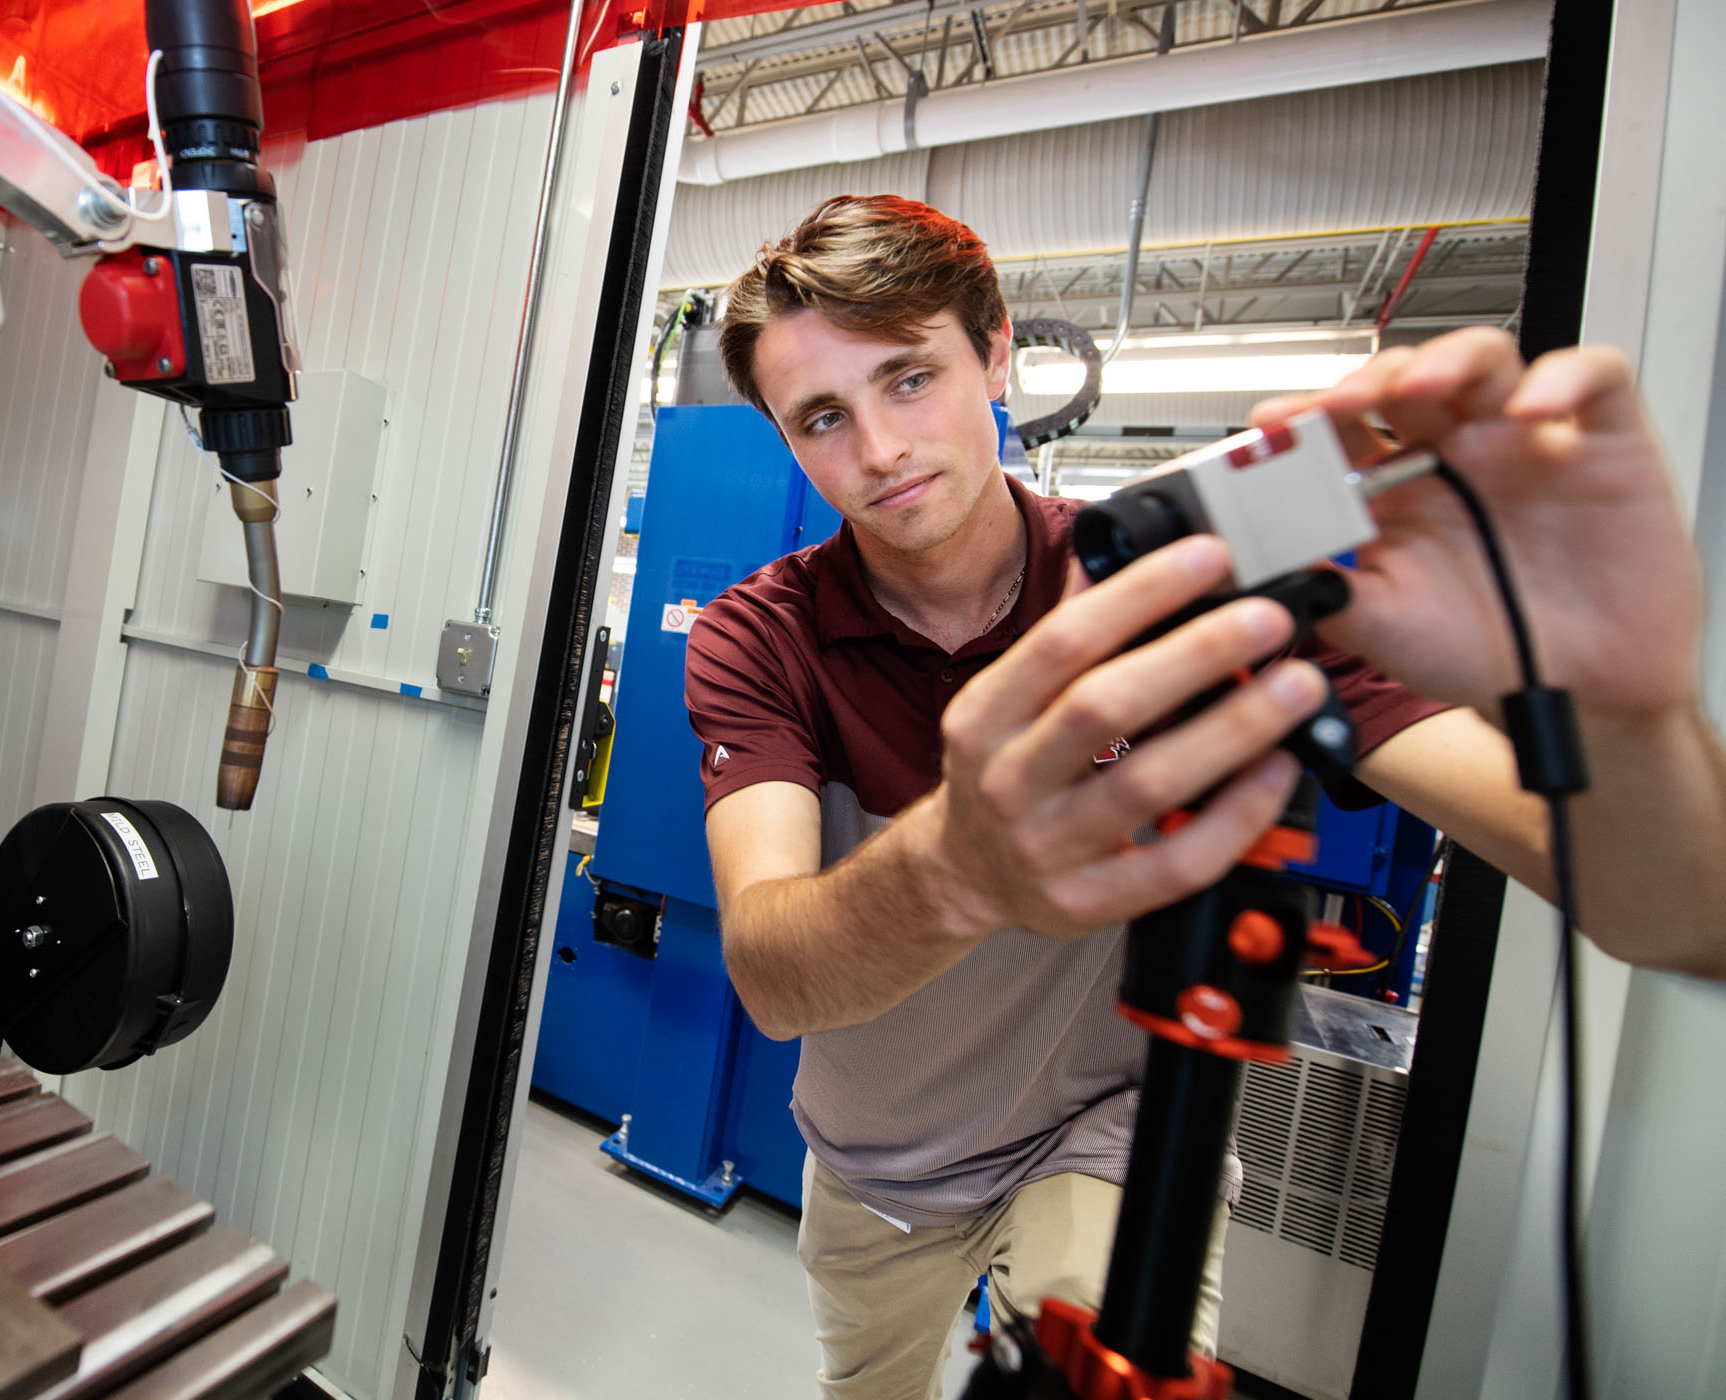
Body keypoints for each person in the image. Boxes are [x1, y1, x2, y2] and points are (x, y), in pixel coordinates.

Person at [683, 194, 1726, 1400]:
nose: (877, 450)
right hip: (880, 1158)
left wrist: (1627, 714)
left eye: (910, 378)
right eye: (822, 416)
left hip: (1111, 1132)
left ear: (998, 353)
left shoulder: (1171, 579)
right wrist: (960, 865)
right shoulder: (759, 635)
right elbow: (770, 969)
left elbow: (1680, 911)